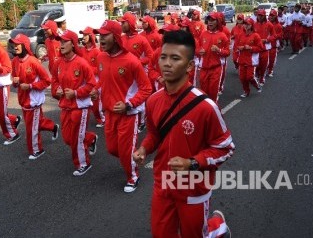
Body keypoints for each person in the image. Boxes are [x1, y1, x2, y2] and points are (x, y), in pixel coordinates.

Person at [133, 30, 233, 238]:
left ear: (189, 66)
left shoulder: (205, 107)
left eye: (175, 58)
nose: (167, 63)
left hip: (193, 186)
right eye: (163, 57)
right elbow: (154, 135)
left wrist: (192, 163)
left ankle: (217, 226)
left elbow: (225, 148)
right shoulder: (153, 101)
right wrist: (144, 148)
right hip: (163, 182)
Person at [91, 20, 152, 192]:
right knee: (112, 149)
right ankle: (131, 157)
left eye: (105, 35)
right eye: (99, 35)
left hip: (128, 114)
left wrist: (129, 104)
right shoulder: (101, 57)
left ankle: (133, 176)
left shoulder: (132, 61)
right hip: (110, 113)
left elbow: (146, 88)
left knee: (125, 152)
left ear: (116, 37)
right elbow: (102, 80)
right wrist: (96, 90)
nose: (100, 38)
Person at [51, 30, 98, 176]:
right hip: (65, 105)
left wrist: (76, 93)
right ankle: (90, 138)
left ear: (73, 43)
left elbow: (92, 84)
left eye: (65, 41)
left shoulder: (82, 63)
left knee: (77, 138)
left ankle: (83, 163)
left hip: (80, 106)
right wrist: (56, 89)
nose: (61, 44)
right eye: (60, 41)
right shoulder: (58, 63)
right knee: (67, 138)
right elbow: (54, 81)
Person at [10, 34, 59, 160]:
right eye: (14, 44)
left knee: (31, 128)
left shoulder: (33, 61)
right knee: (34, 124)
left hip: (34, 101)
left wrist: (31, 86)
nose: (15, 47)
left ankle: (37, 150)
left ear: (25, 46)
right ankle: (53, 127)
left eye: (17, 44)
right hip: (23, 100)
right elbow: (16, 82)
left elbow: (47, 81)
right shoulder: (15, 61)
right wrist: (15, 81)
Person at [118, 12, 154, 132]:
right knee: (125, 95)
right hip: (122, 73)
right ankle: (127, 117)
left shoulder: (141, 39)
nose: (121, 24)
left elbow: (151, 56)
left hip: (138, 73)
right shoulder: (121, 38)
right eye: (121, 22)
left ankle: (142, 121)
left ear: (130, 23)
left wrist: (139, 62)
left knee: (139, 97)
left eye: (124, 22)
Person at [197, 12, 230, 103]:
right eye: (209, 20)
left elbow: (227, 52)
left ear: (218, 22)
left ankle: (214, 113)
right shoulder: (203, 34)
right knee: (203, 93)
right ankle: (205, 112)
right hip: (203, 68)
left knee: (213, 94)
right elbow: (197, 48)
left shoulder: (222, 36)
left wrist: (218, 50)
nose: (210, 22)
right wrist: (199, 51)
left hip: (216, 69)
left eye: (212, 20)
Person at [80, 27, 105, 128]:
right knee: (86, 99)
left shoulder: (97, 52)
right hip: (86, 79)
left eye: (86, 35)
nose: (84, 37)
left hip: (95, 79)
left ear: (91, 37)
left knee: (96, 102)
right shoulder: (82, 50)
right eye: (83, 35)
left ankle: (102, 119)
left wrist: (88, 69)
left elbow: (100, 69)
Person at [234, 18, 264, 98]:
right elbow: (236, 46)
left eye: (248, 24)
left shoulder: (256, 35)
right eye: (245, 24)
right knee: (242, 78)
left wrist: (250, 48)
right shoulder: (241, 35)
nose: (246, 26)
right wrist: (239, 48)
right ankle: (246, 91)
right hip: (242, 59)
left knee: (250, 77)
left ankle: (257, 86)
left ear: (252, 25)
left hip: (251, 60)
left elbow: (260, 48)